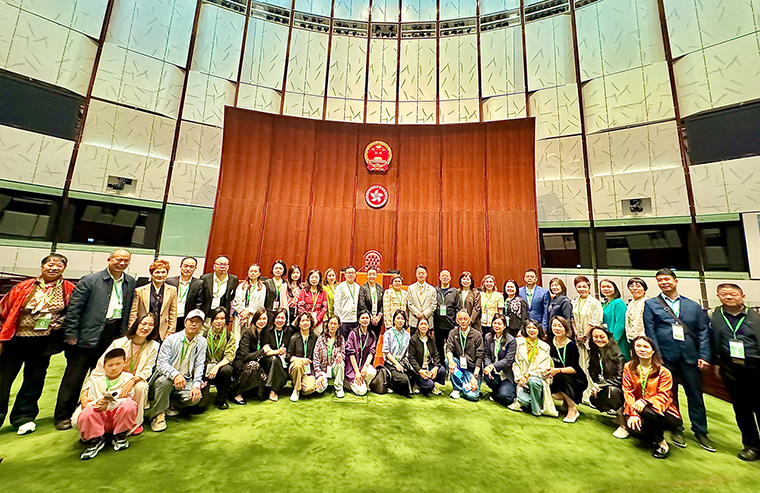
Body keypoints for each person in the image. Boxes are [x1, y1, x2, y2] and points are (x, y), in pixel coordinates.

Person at [54, 249, 135, 430]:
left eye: (126, 260)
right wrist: (71, 334)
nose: (121, 263)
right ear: (109, 260)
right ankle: (63, 415)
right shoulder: (90, 280)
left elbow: (128, 309)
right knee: (75, 375)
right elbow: (74, 309)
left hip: (113, 333)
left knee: (103, 375)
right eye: (118, 259)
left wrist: (123, 334)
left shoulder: (129, 282)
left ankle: (94, 409)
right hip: (88, 333)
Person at [0, 254, 75, 435]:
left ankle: (24, 417)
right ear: (42, 267)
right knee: (3, 380)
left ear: (64, 269)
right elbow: (4, 309)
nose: (54, 268)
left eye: (59, 266)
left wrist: (61, 322)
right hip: (15, 340)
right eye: (50, 265)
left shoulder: (68, 288)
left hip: (43, 342)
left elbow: (73, 311)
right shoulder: (23, 286)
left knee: (34, 380)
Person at [643, 268, 713, 452]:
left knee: (695, 395)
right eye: (660, 280)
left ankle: (700, 431)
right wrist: (656, 356)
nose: (664, 282)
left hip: (690, 357)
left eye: (667, 279)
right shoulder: (651, 304)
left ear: (675, 281)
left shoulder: (693, 305)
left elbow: (703, 331)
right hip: (666, 358)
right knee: (669, 395)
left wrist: (704, 355)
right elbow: (650, 331)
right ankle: (676, 428)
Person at [710, 283, 760, 461]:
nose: (728, 297)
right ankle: (751, 446)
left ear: (742, 296)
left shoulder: (755, 316)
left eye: (733, 294)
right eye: (724, 294)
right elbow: (714, 340)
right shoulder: (716, 315)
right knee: (742, 410)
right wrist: (717, 363)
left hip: (755, 367)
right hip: (730, 368)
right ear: (718, 296)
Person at [90, 314, 160, 436]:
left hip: (135, 379)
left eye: (150, 325)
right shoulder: (119, 343)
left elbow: (148, 369)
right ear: (136, 324)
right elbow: (104, 364)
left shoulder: (154, 346)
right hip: (114, 377)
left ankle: (134, 423)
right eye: (143, 323)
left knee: (141, 387)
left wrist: (132, 381)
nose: (146, 327)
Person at [623, 336, 683, 459]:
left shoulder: (664, 372)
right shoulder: (628, 367)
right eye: (638, 346)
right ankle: (649, 431)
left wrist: (645, 401)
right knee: (635, 428)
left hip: (665, 413)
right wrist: (633, 414)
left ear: (653, 350)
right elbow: (627, 391)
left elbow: (663, 397)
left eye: (646, 346)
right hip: (638, 409)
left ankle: (661, 443)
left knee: (646, 410)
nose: (641, 349)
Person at [73, 348, 137, 460]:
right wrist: (97, 404)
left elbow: (128, 397)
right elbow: (90, 402)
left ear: (124, 363)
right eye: (110, 365)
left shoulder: (128, 378)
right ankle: (96, 439)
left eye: (118, 364)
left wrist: (110, 405)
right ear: (104, 367)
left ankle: (119, 435)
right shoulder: (96, 381)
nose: (114, 368)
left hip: (117, 414)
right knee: (87, 412)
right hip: (100, 416)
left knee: (130, 405)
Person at [149, 309, 207, 432]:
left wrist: (196, 385)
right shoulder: (171, 339)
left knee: (195, 397)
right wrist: (175, 375)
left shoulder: (202, 342)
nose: (194, 324)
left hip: (186, 379)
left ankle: (171, 403)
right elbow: (161, 364)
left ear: (202, 325)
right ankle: (158, 415)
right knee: (165, 382)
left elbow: (199, 364)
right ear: (185, 322)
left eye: (197, 322)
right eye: (191, 321)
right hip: (166, 378)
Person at [509, 319, 557, 417]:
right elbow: (515, 363)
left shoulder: (545, 346)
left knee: (533, 381)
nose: (531, 330)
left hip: (537, 378)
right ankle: (531, 401)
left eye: (534, 328)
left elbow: (543, 368)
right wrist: (519, 378)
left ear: (538, 330)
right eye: (528, 328)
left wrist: (527, 376)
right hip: (521, 379)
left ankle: (536, 409)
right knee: (523, 400)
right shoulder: (517, 342)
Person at [588, 325, 627, 438]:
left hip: (620, 390)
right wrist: (596, 385)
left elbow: (620, 379)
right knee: (593, 398)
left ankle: (623, 425)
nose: (598, 339)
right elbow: (592, 371)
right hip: (605, 386)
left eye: (602, 337)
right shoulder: (595, 353)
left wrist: (601, 385)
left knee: (612, 391)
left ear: (608, 337)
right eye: (595, 337)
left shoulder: (618, 355)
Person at [547, 316, 587, 423]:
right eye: (554, 325)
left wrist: (557, 370)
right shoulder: (549, 342)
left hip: (575, 378)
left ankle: (572, 408)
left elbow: (574, 369)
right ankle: (565, 401)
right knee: (552, 391)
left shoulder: (571, 345)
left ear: (566, 328)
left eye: (560, 326)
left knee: (560, 377)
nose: (557, 328)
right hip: (556, 375)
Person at [571, 275, 602, 403]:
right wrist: (577, 334)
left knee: (590, 367)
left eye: (584, 286)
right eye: (579, 287)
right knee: (580, 365)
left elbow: (595, 321)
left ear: (589, 287)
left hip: (590, 339)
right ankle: (582, 393)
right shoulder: (574, 301)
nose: (582, 289)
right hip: (578, 339)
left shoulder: (595, 303)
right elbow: (572, 319)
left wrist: (585, 335)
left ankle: (591, 394)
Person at [128, 259, 177, 341]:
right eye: (157, 272)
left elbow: (173, 313)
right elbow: (133, 313)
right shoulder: (140, 290)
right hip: (144, 327)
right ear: (151, 274)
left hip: (162, 329)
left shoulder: (172, 290)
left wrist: (171, 331)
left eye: (163, 272)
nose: (160, 275)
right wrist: (132, 330)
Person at [445, 310, 484, 401]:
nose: (463, 321)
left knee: (472, 396)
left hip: (472, 370)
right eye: (460, 319)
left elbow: (480, 357)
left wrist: (475, 377)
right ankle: (457, 388)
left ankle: (466, 385)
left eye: (465, 319)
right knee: (448, 361)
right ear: (457, 320)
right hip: (460, 369)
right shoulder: (453, 333)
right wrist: (451, 361)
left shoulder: (477, 335)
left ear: (469, 320)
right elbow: (449, 348)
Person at [202, 307, 236, 410]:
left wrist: (216, 367)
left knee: (227, 369)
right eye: (216, 318)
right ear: (212, 320)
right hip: (205, 369)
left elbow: (229, 357)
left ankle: (221, 399)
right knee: (200, 407)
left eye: (222, 318)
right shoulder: (204, 335)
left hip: (220, 369)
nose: (219, 321)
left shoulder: (229, 336)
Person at [233, 308, 269, 402]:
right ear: (255, 319)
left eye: (264, 319)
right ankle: (236, 393)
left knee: (264, 379)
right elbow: (245, 356)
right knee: (253, 365)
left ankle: (250, 391)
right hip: (241, 364)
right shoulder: (248, 333)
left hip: (256, 363)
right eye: (259, 319)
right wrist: (262, 351)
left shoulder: (265, 333)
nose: (262, 321)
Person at [482, 314, 517, 406]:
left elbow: (508, 360)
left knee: (506, 397)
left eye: (499, 324)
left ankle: (506, 391)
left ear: (504, 326)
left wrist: (492, 366)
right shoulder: (488, 337)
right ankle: (496, 391)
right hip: (494, 372)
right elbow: (486, 354)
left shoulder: (511, 340)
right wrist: (488, 366)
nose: (496, 326)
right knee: (487, 377)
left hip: (506, 374)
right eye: (495, 323)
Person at [260, 309, 292, 402]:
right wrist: (278, 351)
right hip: (269, 361)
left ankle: (270, 389)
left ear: (286, 320)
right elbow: (266, 351)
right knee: (274, 359)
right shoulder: (267, 332)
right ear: (274, 319)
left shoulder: (289, 332)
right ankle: (273, 390)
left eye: (282, 318)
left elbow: (291, 350)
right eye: (278, 317)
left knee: (277, 361)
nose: (280, 320)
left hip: (284, 362)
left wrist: (286, 354)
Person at [166, 256, 205, 331]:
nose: (188, 269)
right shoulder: (170, 281)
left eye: (191, 267)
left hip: (187, 318)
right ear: (180, 266)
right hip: (170, 317)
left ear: (195, 268)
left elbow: (199, 303)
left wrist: (192, 318)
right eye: (185, 266)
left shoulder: (199, 284)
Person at [407, 318, 444, 396]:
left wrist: (435, 367)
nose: (423, 326)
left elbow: (436, 354)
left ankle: (431, 382)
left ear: (428, 326)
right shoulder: (414, 339)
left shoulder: (431, 339)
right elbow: (411, 358)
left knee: (442, 370)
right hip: (418, 370)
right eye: (421, 324)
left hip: (428, 368)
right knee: (429, 385)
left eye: (425, 324)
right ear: (418, 326)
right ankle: (417, 383)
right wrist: (420, 370)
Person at [287, 313, 319, 402]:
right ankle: (296, 390)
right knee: (298, 365)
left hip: (308, 370)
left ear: (311, 323)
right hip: (295, 367)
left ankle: (299, 383)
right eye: (303, 320)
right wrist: (301, 360)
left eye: (307, 320)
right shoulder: (294, 338)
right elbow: (288, 356)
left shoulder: (315, 337)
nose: (305, 323)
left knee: (309, 389)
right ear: (299, 324)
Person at [232, 264, 266, 345]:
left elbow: (260, 303)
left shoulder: (262, 287)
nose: (253, 273)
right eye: (251, 271)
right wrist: (242, 312)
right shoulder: (241, 286)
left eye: (255, 271)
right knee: (237, 337)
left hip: (252, 315)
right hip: (240, 315)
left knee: (250, 337)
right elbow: (236, 300)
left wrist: (248, 312)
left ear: (259, 273)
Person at [200, 255, 238, 328]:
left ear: (228, 267)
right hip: (206, 315)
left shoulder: (233, 279)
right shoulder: (205, 278)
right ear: (214, 266)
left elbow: (232, 297)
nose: (222, 266)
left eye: (225, 264)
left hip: (222, 316)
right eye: (219, 264)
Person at [344, 312, 377, 396]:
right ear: (359, 320)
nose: (365, 320)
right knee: (361, 392)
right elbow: (350, 354)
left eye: (367, 318)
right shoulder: (353, 333)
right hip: (352, 367)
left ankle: (361, 383)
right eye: (363, 318)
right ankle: (347, 382)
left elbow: (371, 352)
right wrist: (357, 373)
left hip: (362, 365)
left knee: (372, 372)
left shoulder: (372, 335)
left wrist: (365, 367)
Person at [313, 315, 346, 398]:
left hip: (334, 368)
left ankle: (339, 388)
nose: (332, 326)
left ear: (338, 326)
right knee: (319, 389)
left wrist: (340, 355)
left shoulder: (341, 339)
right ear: (327, 324)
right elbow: (315, 358)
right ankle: (323, 381)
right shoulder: (321, 339)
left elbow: (343, 353)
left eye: (335, 324)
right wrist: (318, 374)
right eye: (331, 323)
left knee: (340, 363)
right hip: (323, 370)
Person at [383, 309, 412, 396]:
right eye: (398, 318)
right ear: (394, 320)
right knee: (404, 380)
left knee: (412, 376)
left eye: (402, 319)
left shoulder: (407, 335)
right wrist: (396, 364)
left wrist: (403, 364)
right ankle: (390, 384)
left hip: (402, 362)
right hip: (391, 363)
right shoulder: (388, 333)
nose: (400, 321)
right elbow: (387, 352)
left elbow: (407, 353)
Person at [434, 269, 460, 361]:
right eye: (443, 276)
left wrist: (456, 324)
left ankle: (453, 365)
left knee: (452, 347)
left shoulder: (454, 291)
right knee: (439, 348)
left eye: (447, 276)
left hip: (451, 325)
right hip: (438, 325)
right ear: (439, 278)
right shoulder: (435, 291)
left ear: (450, 278)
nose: (445, 277)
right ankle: (441, 366)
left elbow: (458, 308)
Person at [600, 279, 629, 360]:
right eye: (603, 287)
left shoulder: (619, 303)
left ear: (615, 288)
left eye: (608, 286)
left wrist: (613, 341)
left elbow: (620, 325)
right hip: (606, 340)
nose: (606, 289)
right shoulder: (604, 304)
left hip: (617, 341)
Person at [406, 265, 436, 334]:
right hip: (414, 321)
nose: (421, 275)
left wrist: (424, 314)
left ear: (426, 274)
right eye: (419, 273)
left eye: (423, 273)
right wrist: (418, 314)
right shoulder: (411, 288)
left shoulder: (432, 289)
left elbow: (433, 305)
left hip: (427, 321)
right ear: (416, 274)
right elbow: (410, 304)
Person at [297, 269, 327, 335]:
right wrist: (307, 319)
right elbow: (300, 307)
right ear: (309, 278)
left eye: (316, 277)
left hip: (318, 321)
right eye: (312, 277)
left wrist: (317, 319)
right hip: (305, 320)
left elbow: (324, 308)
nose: (314, 279)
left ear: (319, 279)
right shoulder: (303, 292)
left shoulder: (323, 292)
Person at [334, 266, 360, 339]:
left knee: (354, 341)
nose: (351, 275)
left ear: (355, 275)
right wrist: (338, 319)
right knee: (343, 340)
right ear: (345, 275)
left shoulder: (358, 287)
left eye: (352, 273)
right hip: (344, 320)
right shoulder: (340, 287)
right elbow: (337, 304)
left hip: (355, 319)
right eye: (349, 273)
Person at [358, 267, 384, 337]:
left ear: (376, 275)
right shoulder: (363, 288)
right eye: (370, 274)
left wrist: (378, 317)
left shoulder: (380, 288)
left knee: (376, 339)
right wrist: (370, 317)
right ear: (367, 276)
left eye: (374, 274)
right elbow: (362, 304)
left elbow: (382, 304)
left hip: (378, 320)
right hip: (367, 319)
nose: (372, 276)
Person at [264, 260, 287, 326]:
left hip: (281, 314)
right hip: (269, 312)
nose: (278, 270)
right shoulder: (267, 283)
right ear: (273, 270)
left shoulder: (286, 283)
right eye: (276, 268)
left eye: (280, 268)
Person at [625, 277, 648, 342]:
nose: (634, 288)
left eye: (638, 286)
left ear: (644, 289)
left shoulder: (646, 302)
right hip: (632, 336)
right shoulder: (631, 302)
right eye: (631, 286)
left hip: (643, 337)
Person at [283, 264, 303, 328]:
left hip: (298, 312)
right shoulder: (285, 286)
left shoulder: (301, 287)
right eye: (293, 273)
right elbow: (284, 303)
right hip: (288, 311)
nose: (295, 275)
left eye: (297, 273)